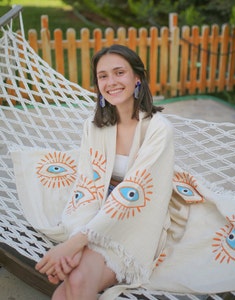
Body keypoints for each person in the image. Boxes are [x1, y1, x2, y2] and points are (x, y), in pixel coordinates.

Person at [35, 44, 175, 299]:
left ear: (137, 79)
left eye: (119, 72)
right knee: (66, 288)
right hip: (98, 205)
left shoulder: (158, 129)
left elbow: (135, 192)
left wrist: (73, 244)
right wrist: (77, 240)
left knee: (76, 280)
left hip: (138, 213)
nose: (111, 82)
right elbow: (86, 185)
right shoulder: (93, 126)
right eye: (103, 76)